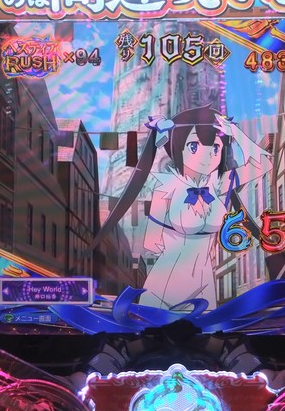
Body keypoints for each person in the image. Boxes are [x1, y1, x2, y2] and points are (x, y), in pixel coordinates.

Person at [95, 104, 272, 310]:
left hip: (204, 283)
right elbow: (152, 244)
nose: (206, 155)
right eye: (194, 146)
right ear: (178, 147)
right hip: (166, 284)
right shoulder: (166, 188)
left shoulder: (219, 184)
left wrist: (235, 132)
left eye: (215, 148)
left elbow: (265, 163)